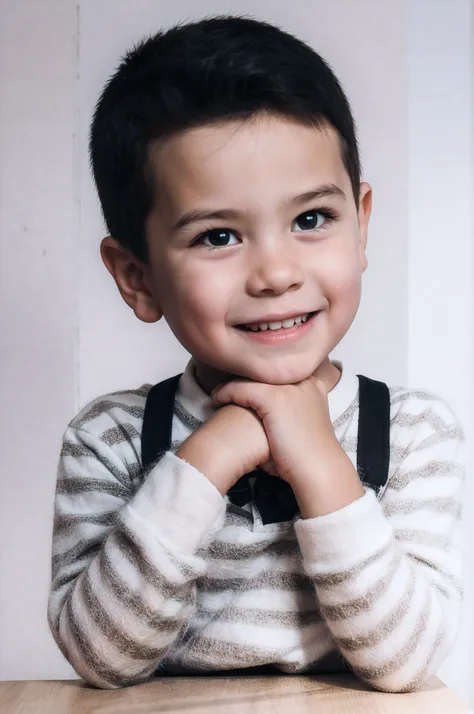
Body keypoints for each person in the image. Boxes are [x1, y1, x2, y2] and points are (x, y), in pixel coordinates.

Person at [47, 15, 465, 692]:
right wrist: (209, 458)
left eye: (310, 220)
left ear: (361, 225)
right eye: (217, 236)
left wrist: (322, 463)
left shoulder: (413, 435)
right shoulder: (112, 441)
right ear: (138, 276)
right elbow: (101, 658)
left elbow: (405, 663)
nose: (275, 273)